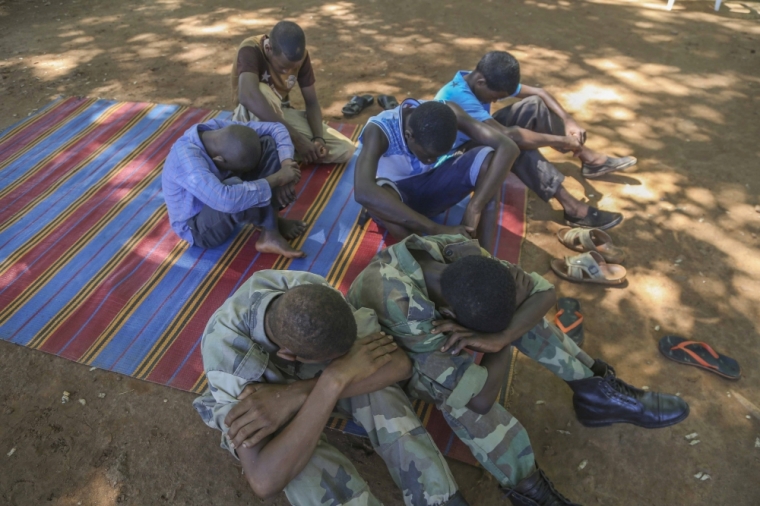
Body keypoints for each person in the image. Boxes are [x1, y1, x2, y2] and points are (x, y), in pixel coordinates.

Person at [347, 234, 690, 505]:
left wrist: (501, 335)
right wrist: (502, 338)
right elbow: (480, 399)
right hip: (397, 354)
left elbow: (543, 292)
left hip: (442, 327)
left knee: (523, 317)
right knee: (464, 403)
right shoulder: (403, 307)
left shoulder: (458, 253)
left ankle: (597, 394)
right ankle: (530, 491)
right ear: (448, 316)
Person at [193, 271, 469, 506]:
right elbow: (264, 479)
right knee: (296, 458)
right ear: (290, 355)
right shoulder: (227, 358)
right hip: (255, 387)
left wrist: (317, 386)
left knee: (376, 387)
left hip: (302, 374)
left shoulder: (313, 292)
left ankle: (440, 497)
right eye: (330, 363)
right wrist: (330, 382)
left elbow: (399, 365)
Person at [434, 51, 637, 230]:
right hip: (452, 161)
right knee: (513, 145)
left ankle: (589, 159)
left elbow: (539, 93)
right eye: (495, 97)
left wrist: (569, 121)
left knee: (534, 106)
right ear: (481, 83)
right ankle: (573, 208)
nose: (495, 102)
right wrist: (564, 140)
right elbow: (509, 136)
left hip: (476, 135)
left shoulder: (480, 77)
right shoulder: (458, 96)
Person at [355, 99, 519, 253]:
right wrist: (436, 229)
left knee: (490, 164)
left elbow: (508, 146)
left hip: (430, 187)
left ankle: (484, 256)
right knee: (378, 195)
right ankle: (427, 259)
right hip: (398, 206)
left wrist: (474, 206)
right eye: (427, 155)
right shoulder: (379, 130)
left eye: (438, 155)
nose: (431, 160)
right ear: (408, 135)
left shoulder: (448, 112)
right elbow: (363, 192)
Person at [162, 118, 307, 258]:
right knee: (233, 187)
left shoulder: (217, 127)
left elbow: (277, 128)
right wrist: (279, 178)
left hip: (222, 192)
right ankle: (269, 228)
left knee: (268, 143)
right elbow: (226, 199)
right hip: (199, 228)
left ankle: (269, 223)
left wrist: (287, 165)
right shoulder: (187, 162)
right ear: (219, 159)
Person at [231, 20, 355, 165]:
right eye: (283, 67)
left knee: (345, 149)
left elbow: (312, 102)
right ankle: (278, 155)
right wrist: (297, 138)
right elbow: (248, 96)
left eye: (293, 67)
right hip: (247, 119)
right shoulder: (250, 48)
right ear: (269, 48)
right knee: (261, 91)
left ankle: (275, 153)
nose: (288, 72)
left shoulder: (301, 56)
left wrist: (318, 139)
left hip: (278, 116)